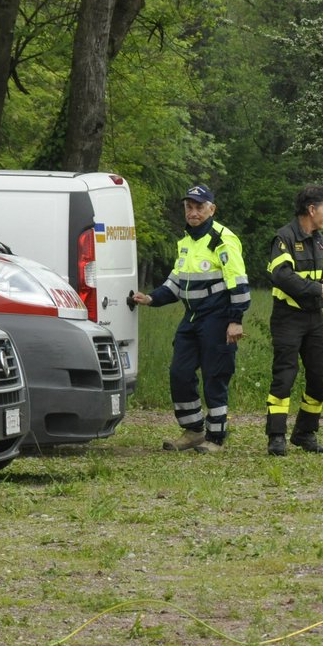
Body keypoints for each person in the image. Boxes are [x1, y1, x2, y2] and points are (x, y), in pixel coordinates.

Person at [133, 186, 249, 452]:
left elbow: (238, 282)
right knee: (180, 373)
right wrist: (151, 298)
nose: (193, 212)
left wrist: (236, 320)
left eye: (199, 207)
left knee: (214, 375)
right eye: (189, 207)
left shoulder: (222, 240)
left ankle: (216, 437)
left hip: (218, 318)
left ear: (211, 209)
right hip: (193, 318)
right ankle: (194, 430)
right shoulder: (186, 242)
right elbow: (177, 282)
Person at [265, 185, 323, 456]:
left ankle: (304, 433)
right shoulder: (284, 237)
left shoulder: (319, 240)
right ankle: (276, 436)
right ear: (311, 209)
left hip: (314, 318)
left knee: (320, 379)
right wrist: (318, 289)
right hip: (288, 317)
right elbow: (281, 275)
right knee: (284, 376)